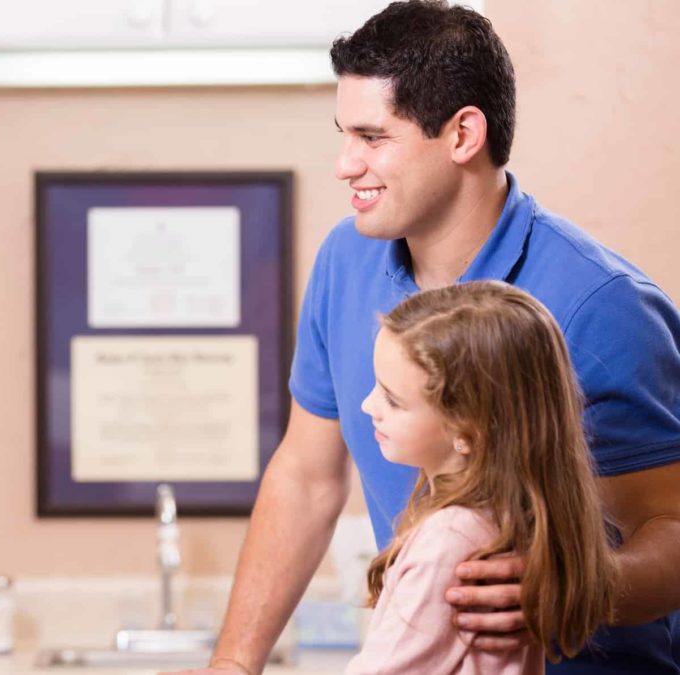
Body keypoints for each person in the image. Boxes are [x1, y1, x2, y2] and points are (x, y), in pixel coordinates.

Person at [171, 2, 680, 673]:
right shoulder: (345, 262)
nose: (344, 165)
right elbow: (306, 476)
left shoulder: (604, 305)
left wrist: (570, 587)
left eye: (372, 137)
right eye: (344, 134)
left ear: (464, 133)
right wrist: (233, 665)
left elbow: (671, 525)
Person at [346, 281, 616, 674]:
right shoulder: (498, 521)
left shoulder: (448, 540)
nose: (368, 404)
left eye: (392, 399)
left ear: (468, 431)